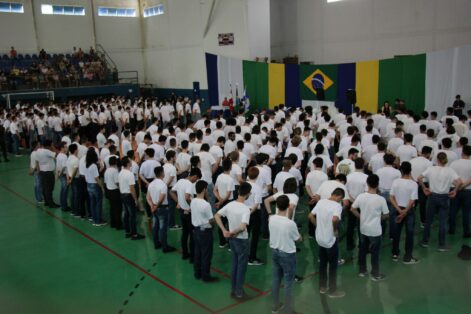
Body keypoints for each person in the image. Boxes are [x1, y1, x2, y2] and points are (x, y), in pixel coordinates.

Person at [215, 182, 252, 299]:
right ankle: (239, 292)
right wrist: (232, 232)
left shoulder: (230, 205)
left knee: (234, 265)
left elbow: (217, 215)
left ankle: (233, 289)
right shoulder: (246, 209)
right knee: (241, 267)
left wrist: (224, 230)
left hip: (232, 240)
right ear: (247, 194)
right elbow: (242, 227)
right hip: (241, 240)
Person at [418, 152, 462, 251]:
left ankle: (425, 241)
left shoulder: (431, 169)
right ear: (446, 160)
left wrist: (424, 188)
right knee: (443, 222)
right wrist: (455, 190)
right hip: (445, 197)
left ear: (437, 159)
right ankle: (441, 245)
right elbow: (459, 182)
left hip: (432, 197)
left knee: (428, 221)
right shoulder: (450, 171)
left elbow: (419, 178)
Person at [351, 174, 389, 281]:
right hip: (375, 231)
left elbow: (352, 209)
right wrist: (378, 218)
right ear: (377, 184)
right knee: (375, 253)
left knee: (362, 250)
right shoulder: (381, 199)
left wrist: (361, 217)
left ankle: (362, 271)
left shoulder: (361, 196)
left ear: (367, 184)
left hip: (363, 229)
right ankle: (375, 274)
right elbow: (386, 214)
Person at [308, 188, 345, 298]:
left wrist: (318, 226)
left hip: (320, 239)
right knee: (333, 266)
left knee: (323, 264)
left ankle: (322, 287)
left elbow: (310, 216)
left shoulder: (321, 202)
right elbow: (334, 219)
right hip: (330, 240)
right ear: (338, 197)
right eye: (340, 199)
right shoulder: (337, 206)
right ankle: (333, 291)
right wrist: (334, 230)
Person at [270, 195, 302, 313]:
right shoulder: (290, 223)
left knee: (276, 279)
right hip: (287, 254)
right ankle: (288, 310)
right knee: (289, 282)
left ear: (277, 206)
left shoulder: (271, 218)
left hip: (275, 252)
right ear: (289, 206)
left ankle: (275, 306)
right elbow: (298, 238)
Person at [389, 162, 419, 264]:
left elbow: (391, 197)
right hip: (408, 211)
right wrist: (405, 211)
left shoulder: (395, 182)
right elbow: (412, 200)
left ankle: (395, 254)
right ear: (410, 171)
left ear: (401, 170)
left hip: (397, 210)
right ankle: (408, 257)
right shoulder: (414, 184)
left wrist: (399, 210)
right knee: (409, 233)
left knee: (396, 232)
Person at [171, 168, 201, 260]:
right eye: (197, 179)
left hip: (182, 211)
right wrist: (192, 207)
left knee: (185, 233)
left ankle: (185, 254)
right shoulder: (189, 184)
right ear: (195, 176)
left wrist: (178, 202)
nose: (196, 181)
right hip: (188, 212)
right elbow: (187, 197)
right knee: (192, 234)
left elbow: (171, 192)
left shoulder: (180, 181)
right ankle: (192, 256)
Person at [191, 180, 218, 282]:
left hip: (196, 230)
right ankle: (206, 276)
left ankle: (197, 273)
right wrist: (216, 221)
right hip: (205, 232)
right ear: (204, 189)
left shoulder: (193, 201)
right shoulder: (206, 204)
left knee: (197, 253)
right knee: (206, 254)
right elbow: (211, 220)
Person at [147, 166, 176, 252]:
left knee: (155, 226)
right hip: (162, 208)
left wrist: (152, 206)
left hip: (154, 208)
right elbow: (162, 197)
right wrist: (157, 206)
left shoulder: (151, 184)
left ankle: (156, 244)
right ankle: (165, 246)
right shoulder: (163, 185)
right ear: (162, 173)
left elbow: (148, 197)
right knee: (162, 228)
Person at [119, 157, 145, 240]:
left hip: (123, 194)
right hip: (129, 196)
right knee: (132, 215)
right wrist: (135, 199)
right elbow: (132, 188)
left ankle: (128, 232)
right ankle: (134, 234)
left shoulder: (121, 172)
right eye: (130, 161)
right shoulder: (129, 174)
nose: (131, 162)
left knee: (126, 214)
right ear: (127, 164)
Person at [449, 145, 471, 238]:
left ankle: (451, 229)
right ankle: (466, 232)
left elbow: (450, 176)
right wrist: (462, 186)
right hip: (468, 191)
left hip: (454, 189)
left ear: (462, 152)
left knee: (453, 210)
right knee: (466, 212)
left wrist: (457, 187)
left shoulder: (454, 163)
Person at [214, 158, 235, 248]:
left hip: (220, 201)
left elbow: (215, 190)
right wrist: (221, 201)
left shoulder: (219, 176)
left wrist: (219, 200)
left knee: (221, 222)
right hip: (228, 202)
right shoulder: (230, 179)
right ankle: (230, 245)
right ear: (230, 167)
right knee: (230, 222)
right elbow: (228, 194)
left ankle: (222, 242)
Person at [84, 148, 106, 226]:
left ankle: (94, 218)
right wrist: (102, 188)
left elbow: (91, 175)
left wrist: (100, 169)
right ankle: (98, 220)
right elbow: (97, 178)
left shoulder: (86, 165)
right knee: (98, 203)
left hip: (89, 185)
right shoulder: (93, 166)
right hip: (95, 186)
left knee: (92, 203)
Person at [36, 140, 59, 208]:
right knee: (50, 188)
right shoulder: (47, 151)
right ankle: (51, 203)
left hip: (42, 171)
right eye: (51, 145)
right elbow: (57, 155)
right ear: (49, 146)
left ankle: (47, 201)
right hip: (48, 172)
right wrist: (53, 148)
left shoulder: (38, 151)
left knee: (45, 188)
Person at [104, 156, 123, 229]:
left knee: (112, 208)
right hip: (115, 191)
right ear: (115, 162)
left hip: (109, 191)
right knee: (118, 208)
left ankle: (113, 223)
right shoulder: (115, 171)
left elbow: (105, 182)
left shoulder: (107, 170)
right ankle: (118, 224)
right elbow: (117, 182)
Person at [56, 142, 70, 212]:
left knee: (62, 190)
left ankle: (62, 204)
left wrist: (58, 175)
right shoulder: (64, 156)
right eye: (65, 147)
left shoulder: (59, 155)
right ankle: (64, 206)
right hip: (64, 175)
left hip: (61, 174)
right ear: (62, 148)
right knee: (65, 191)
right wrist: (68, 178)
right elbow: (65, 167)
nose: (67, 148)